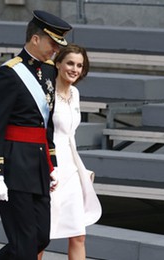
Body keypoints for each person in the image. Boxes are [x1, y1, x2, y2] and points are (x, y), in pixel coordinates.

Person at [0, 10, 72, 260]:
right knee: (24, 243)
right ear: (35, 39)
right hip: (14, 164)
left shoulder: (50, 72)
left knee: (41, 236)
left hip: (38, 165)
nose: (55, 49)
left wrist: (51, 164)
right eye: (52, 43)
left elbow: (47, 124)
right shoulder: (8, 74)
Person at [38, 44, 102, 260]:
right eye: (70, 63)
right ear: (58, 64)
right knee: (40, 237)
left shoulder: (75, 93)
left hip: (72, 170)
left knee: (78, 235)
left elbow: (69, 136)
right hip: (49, 169)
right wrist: (46, 168)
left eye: (79, 65)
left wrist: (81, 169)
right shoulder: (45, 93)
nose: (75, 69)